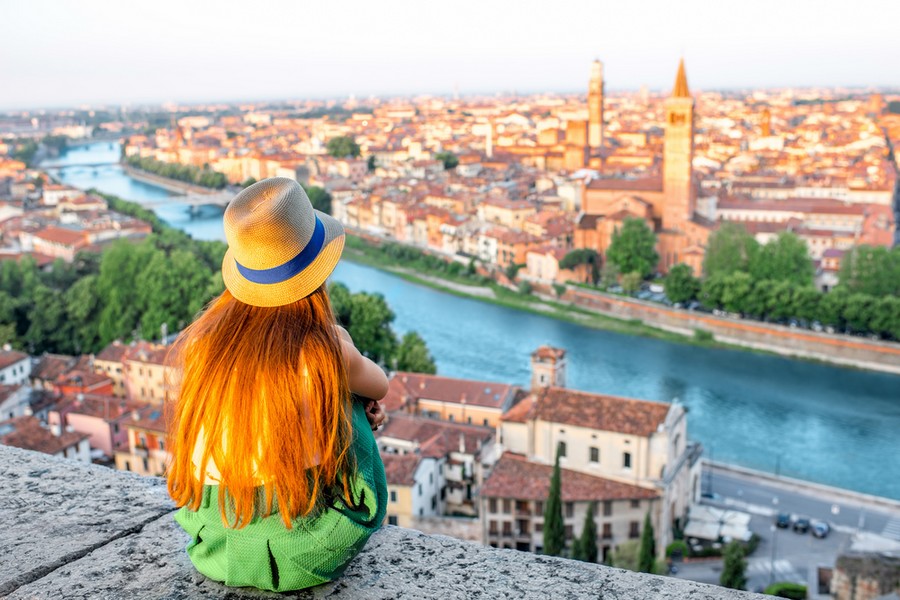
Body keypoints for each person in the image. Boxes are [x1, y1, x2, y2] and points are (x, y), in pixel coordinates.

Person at [166, 178, 389, 592]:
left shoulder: (203, 343)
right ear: (317, 270)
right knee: (343, 390)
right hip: (304, 547)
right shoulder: (324, 351)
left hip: (215, 538)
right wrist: (340, 342)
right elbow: (381, 386)